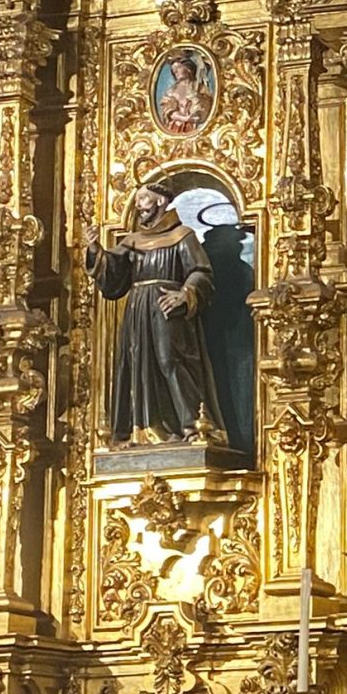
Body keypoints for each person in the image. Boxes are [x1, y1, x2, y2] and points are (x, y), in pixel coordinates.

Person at [86, 180, 228, 446]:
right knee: (137, 364)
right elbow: (113, 276)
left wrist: (184, 293)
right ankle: (144, 428)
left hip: (167, 308)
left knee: (169, 361)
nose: (139, 206)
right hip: (138, 311)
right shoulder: (132, 242)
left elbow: (201, 272)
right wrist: (95, 250)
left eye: (143, 199)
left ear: (160, 201)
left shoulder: (182, 236)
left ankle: (194, 425)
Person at [157, 52, 214, 134]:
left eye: (178, 68)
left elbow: (206, 106)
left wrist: (196, 98)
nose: (176, 72)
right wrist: (184, 118)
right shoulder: (171, 91)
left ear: (188, 68)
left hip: (196, 128)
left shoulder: (200, 87)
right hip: (175, 127)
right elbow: (167, 110)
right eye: (174, 71)